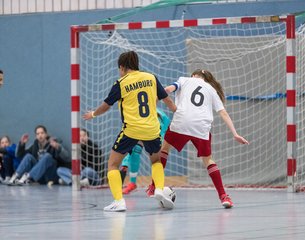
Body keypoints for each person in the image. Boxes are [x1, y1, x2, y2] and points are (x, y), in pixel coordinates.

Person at [83, 51, 177, 212]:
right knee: (156, 161)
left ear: (122, 67)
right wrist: (177, 111)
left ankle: (119, 201)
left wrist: (93, 114)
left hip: (131, 130)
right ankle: (160, 190)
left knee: (112, 164)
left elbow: (106, 105)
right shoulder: (151, 78)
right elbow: (166, 99)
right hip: (152, 129)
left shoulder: (121, 83)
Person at [148, 69, 249, 208]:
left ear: (194, 76)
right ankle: (224, 197)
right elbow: (223, 113)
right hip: (201, 126)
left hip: (182, 121)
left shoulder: (184, 80)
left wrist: (155, 100)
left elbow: (167, 90)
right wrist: (235, 133)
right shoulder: (211, 89)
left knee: (164, 150)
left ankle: (154, 186)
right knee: (208, 160)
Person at [120, 109, 171, 194]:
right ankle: (132, 183)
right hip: (145, 127)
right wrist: (125, 164)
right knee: (135, 149)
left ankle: (156, 185)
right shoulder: (136, 118)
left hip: (161, 132)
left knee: (157, 158)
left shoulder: (162, 120)